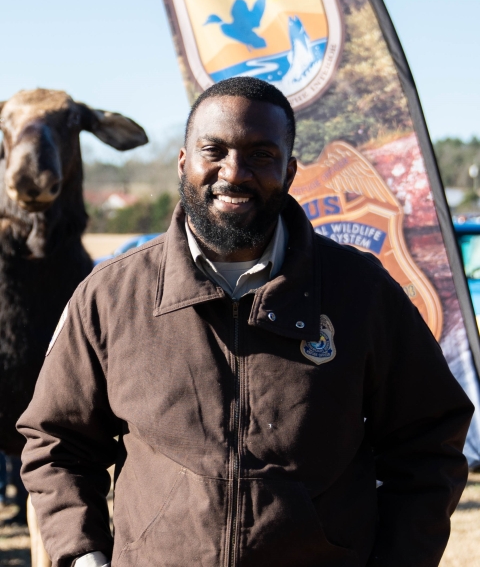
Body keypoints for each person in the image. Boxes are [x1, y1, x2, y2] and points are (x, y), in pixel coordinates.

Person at [18, 77, 473, 567]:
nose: (233, 173)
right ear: (183, 162)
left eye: (260, 154)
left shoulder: (361, 291)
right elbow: (55, 443)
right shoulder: (110, 295)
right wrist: (85, 556)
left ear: (290, 169)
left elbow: (429, 443)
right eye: (214, 150)